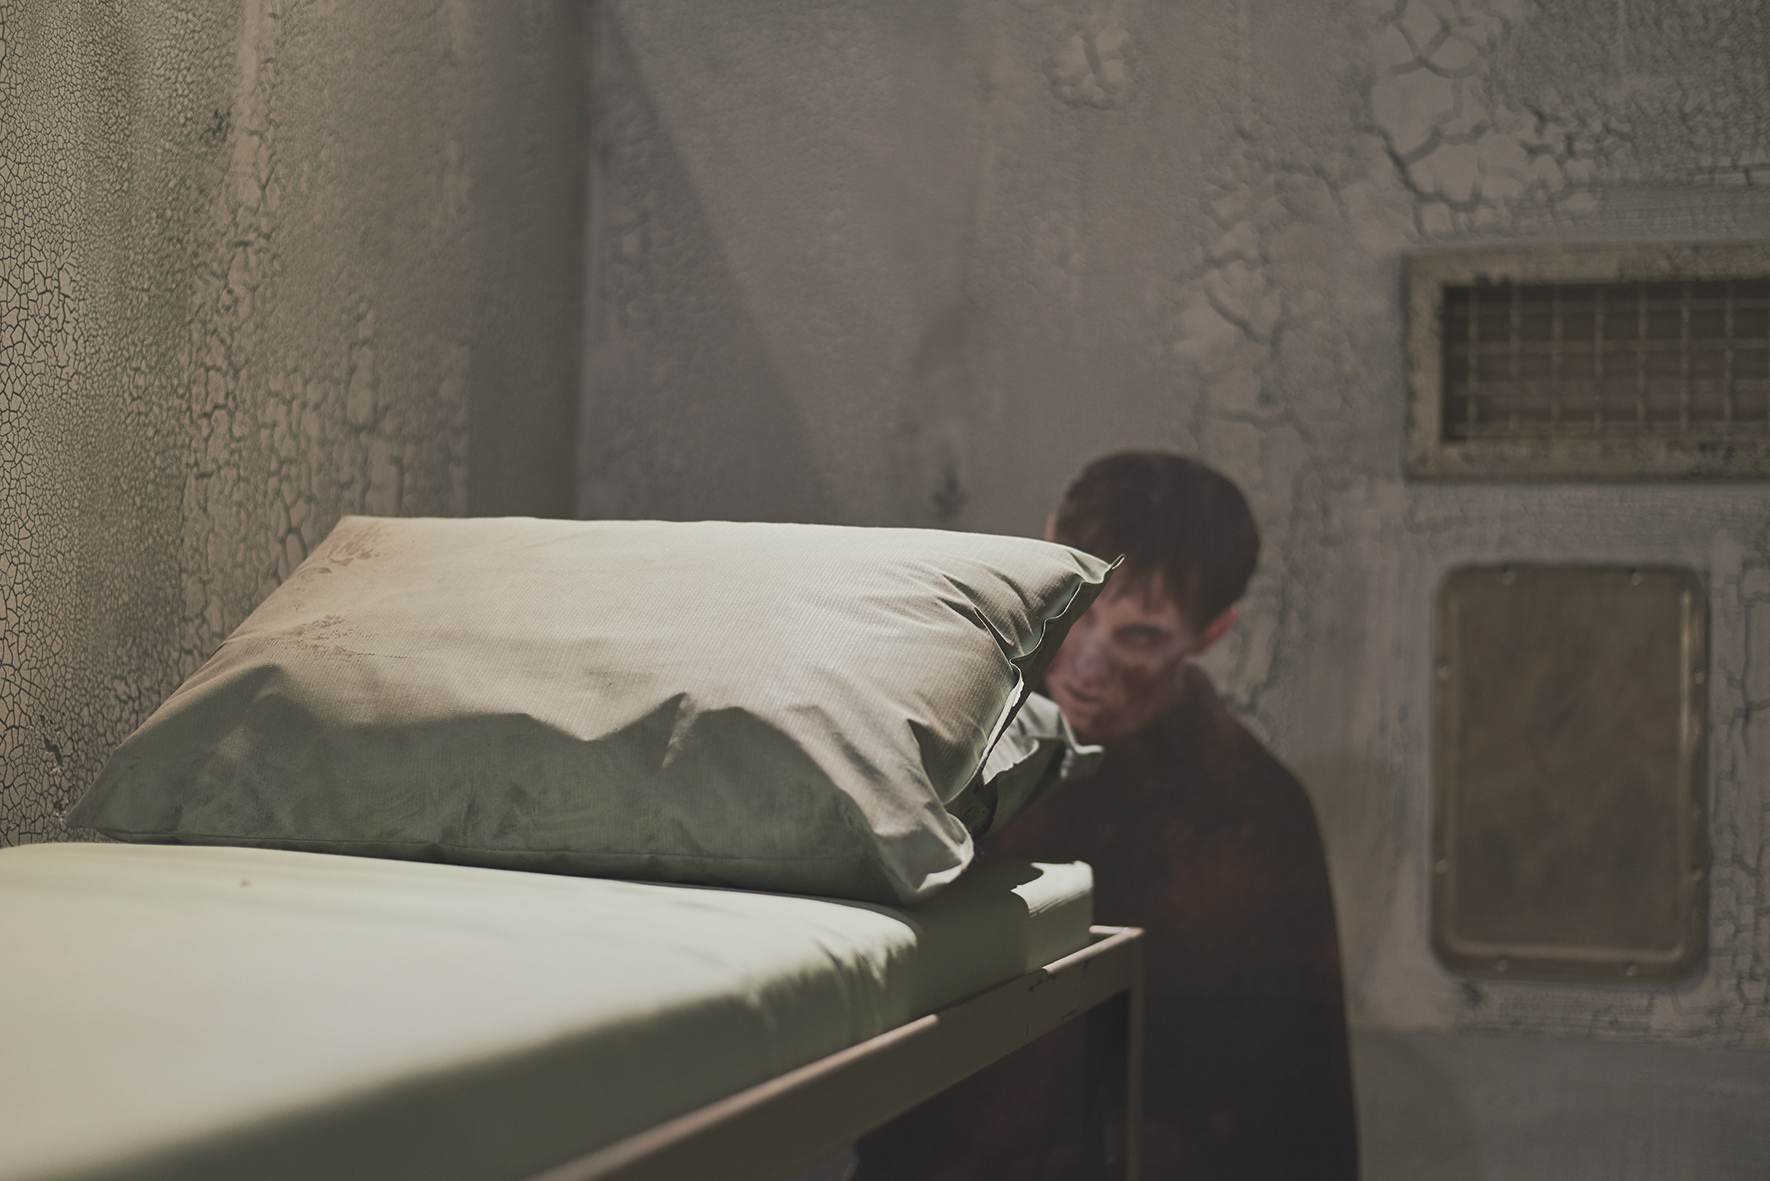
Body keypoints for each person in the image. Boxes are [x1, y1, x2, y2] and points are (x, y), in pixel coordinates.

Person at [856, 451, 1358, 1180]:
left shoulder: (1255, 813)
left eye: (1139, 635)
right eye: (1077, 606)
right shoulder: (949, 742)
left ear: (1212, 631)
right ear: (1048, 546)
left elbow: (1305, 1096)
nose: (1087, 662)